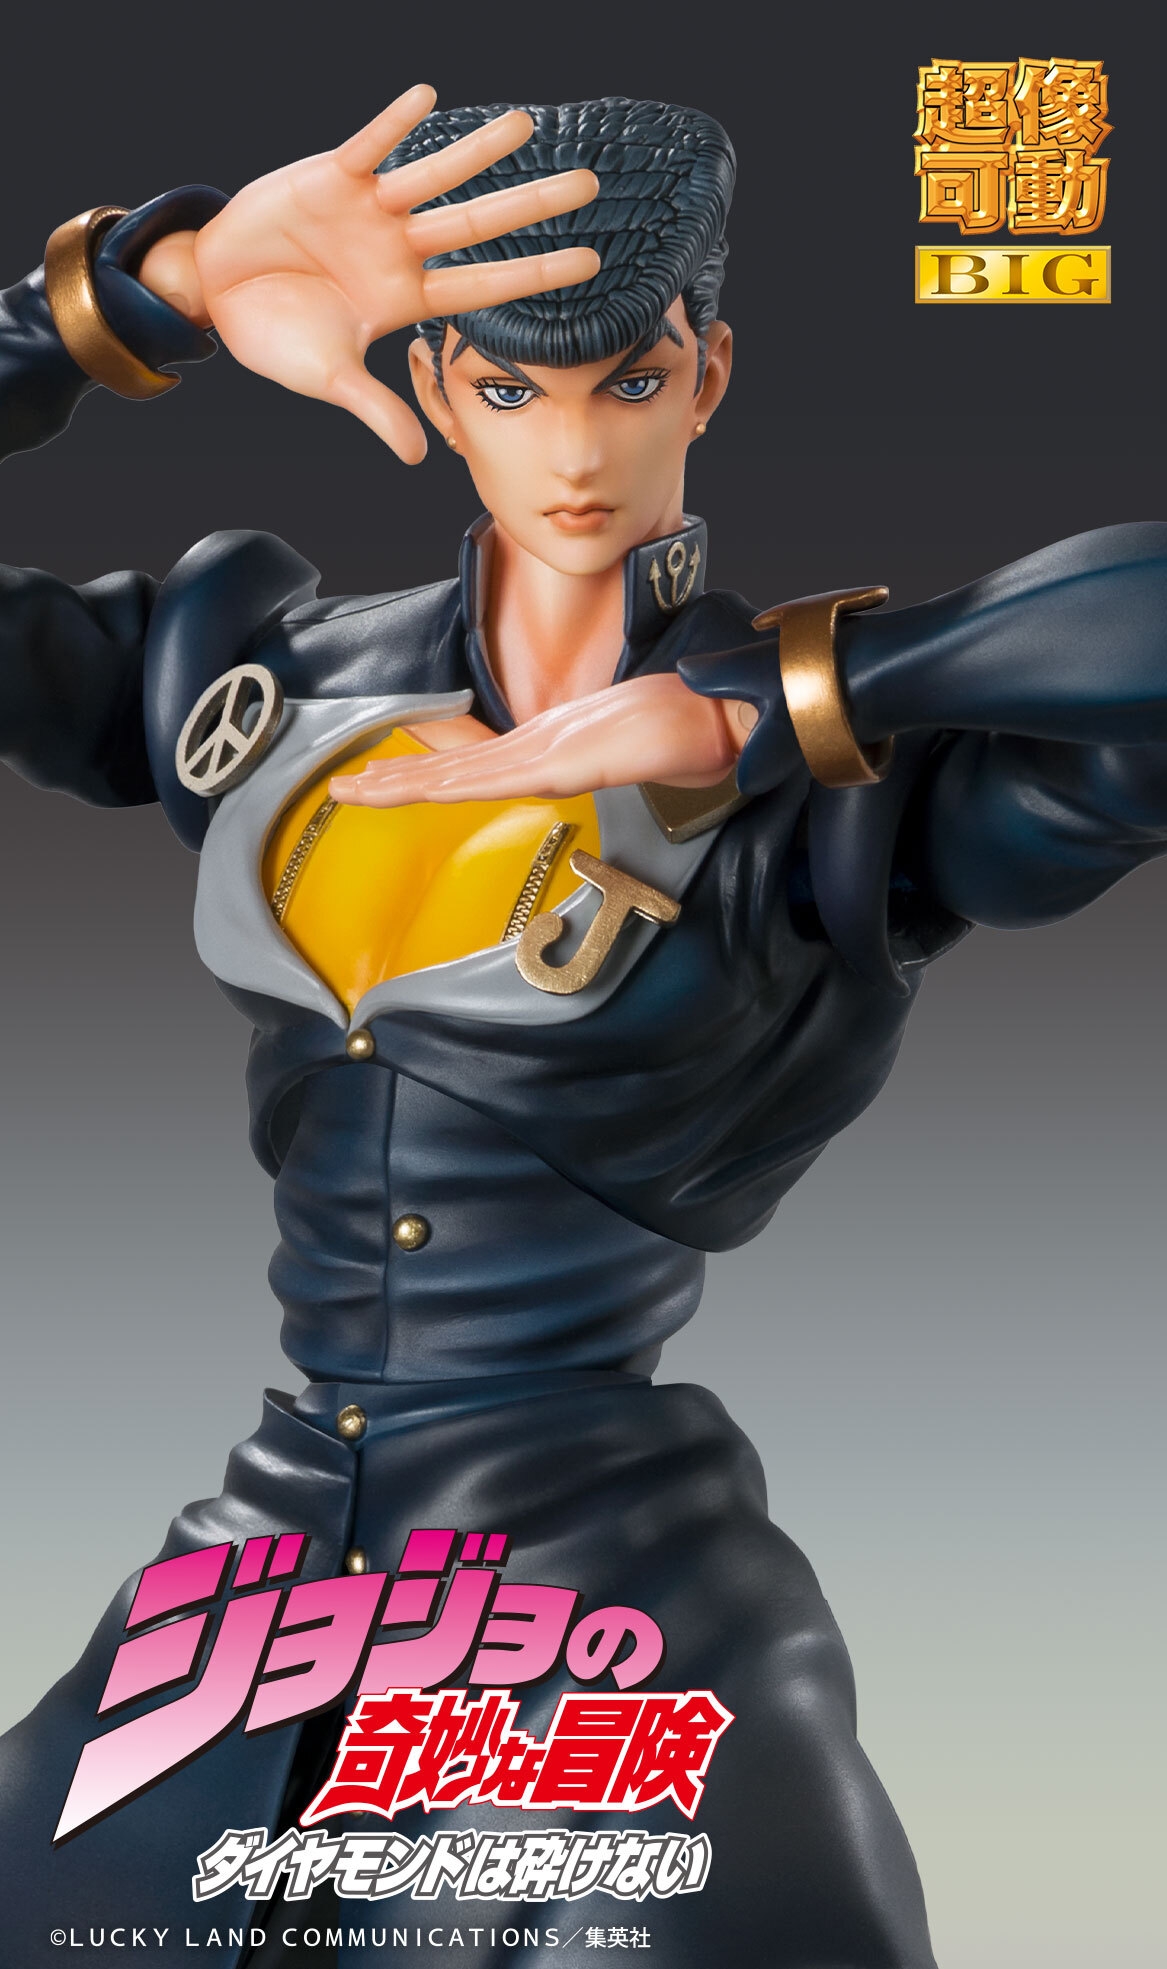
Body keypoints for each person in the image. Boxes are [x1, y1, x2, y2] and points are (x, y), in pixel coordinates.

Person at [2, 86, 1166, 1969]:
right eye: (511, 386)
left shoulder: (832, 798)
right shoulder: (271, 675)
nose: (572, 449)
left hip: (596, 1570)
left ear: (710, 374)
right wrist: (151, 290)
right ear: (437, 384)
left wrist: (787, 702)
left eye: (627, 381)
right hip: (263, 1566)